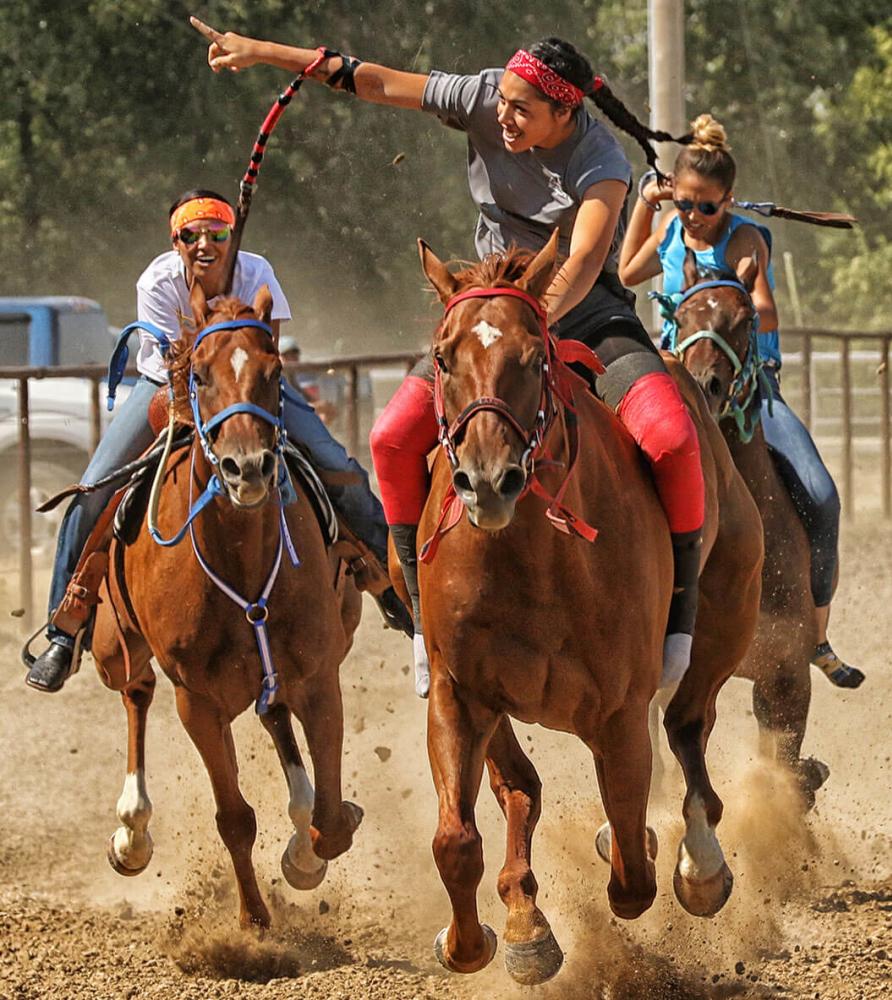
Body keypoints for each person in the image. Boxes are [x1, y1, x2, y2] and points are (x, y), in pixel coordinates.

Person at [190, 21, 706, 697]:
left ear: (565, 111)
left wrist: (534, 318)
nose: (504, 114)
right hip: (486, 313)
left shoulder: (602, 160)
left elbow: (582, 258)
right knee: (392, 435)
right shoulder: (486, 95)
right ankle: (419, 617)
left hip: (582, 311)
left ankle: (682, 616)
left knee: (671, 436)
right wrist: (261, 52)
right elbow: (370, 77)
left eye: (523, 109)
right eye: (503, 100)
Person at [24, 189, 411, 693]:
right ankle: (65, 630)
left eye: (217, 233)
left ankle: (396, 586)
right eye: (192, 235)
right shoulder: (157, 282)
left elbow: (264, 349)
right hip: (168, 388)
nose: (205, 243)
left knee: (339, 465)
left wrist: (240, 378)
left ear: (231, 236)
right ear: (176, 241)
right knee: (92, 489)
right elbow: (179, 366)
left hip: (248, 385)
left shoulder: (258, 272)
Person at [618, 114, 862, 688]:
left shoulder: (747, 238)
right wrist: (644, 208)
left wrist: (746, 285)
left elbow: (767, 311)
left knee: (823, 497)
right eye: (685, 203)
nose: (695, 216)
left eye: (707, 206)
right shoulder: (671, 231)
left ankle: (818, 635)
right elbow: (628, 271)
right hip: (678, 383)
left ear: (728, 199)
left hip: (753, 389)